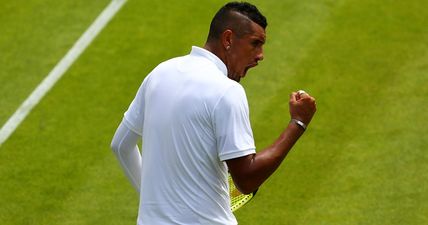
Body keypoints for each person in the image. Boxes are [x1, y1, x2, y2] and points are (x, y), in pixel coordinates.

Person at [110, 2, 316, 225]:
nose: (260, 56)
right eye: (255, 44)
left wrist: (153, 201)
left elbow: (120, 146)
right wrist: (298, 122)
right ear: (228, 39)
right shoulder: (227, 91)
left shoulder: (160, 73)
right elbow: (247, 179)